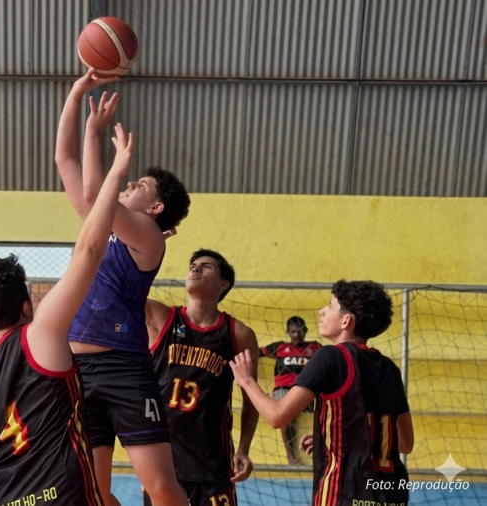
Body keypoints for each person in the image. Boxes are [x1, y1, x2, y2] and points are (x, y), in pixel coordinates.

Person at [0, 121, 137, 506]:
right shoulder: (38, 333)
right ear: (26, 306)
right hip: (59, 496)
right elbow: (90, 251)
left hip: (7, 498)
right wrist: (116, 172)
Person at [55, 68, 191, 506]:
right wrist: (77, 94)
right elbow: (65, 162)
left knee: (161, 487)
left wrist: (98, 139)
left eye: (140, 186)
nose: (130, 184)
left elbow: (96, 191)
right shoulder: (103, 226)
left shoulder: (148, 237)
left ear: (155, 207)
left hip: (122, 368)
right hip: (77, 370)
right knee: (93, 493)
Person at [231, 280, 414, 506]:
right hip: (392, 493)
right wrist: (329, 437)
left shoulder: (331, 357)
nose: (322, 311)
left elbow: (277, 416)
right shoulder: (390, 369)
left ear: (347, 320)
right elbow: (405, 443)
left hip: (345, 493)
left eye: (330, 306)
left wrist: (247, 380)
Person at [144, 250, 260, 506]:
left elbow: (252, 398)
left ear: (223, 284)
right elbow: (125, 285)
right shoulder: (161, 317)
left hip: (211, 459)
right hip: (163, 458)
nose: (195, 269)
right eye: (193, 265)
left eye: (206, 267)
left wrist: (244, 448)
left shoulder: (239, 334)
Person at [260, 316, 321, 464]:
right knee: (285, 414)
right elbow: (256, 352)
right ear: (288, 332)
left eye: (300, 331)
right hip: (284, 389)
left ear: (305, 331)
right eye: (293, 332)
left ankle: (323, 454)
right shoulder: (279, 347)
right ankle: (291, 458)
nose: (297, 335)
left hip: (306, 389)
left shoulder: (314, 347)